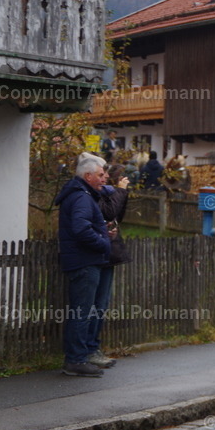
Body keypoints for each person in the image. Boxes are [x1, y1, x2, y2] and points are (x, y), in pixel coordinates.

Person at [54, 153, 114, 377]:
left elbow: (82, 226)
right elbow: (80, 229)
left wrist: (102, 232)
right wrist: (103, 242)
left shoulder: (82, 194)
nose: (104, 178)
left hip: (83, 260)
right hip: (85, 262)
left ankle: (78, 357)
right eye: (100, 175)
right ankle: (76, 359)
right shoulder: (81, 197)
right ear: (88, 176)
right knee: (82, 312)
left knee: (83, 311)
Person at [87, 165, 131, 368]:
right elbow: (109, 212)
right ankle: (88, 350)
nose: (104, 178)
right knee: (91, 306)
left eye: (105, 175)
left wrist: (123, 193)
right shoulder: (89, 195)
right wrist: (121, 191)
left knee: (101, 304)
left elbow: (116, 216)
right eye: (101, 175)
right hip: (96, 255)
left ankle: (92, 347)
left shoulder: (104, 194)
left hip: (107, 253)